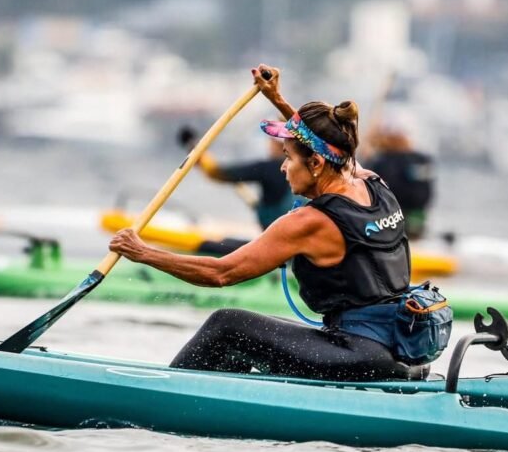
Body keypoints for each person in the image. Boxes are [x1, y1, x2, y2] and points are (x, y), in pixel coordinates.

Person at [109, 66, 429, 382]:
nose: (282, 167)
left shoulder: (309, 222)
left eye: (288, 157)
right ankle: (221, 403)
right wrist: (276, 99)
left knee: (227, 326)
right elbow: (330, 149)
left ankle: (166, 396)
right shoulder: (373, 182)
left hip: (359, 356)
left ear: (315, 164)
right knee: (254, 332)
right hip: (400, 348)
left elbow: (220, 273)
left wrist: (143, 253)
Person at [178, 125, 295, 230]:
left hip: (277, 231)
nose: (268, 144)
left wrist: (194, 147)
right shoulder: (298, 166)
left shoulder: (269, 168)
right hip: (288, 228)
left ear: (279, 144)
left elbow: (216, 172)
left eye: (270, 140)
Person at [359, 119, 435, 240]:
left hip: (407, 220)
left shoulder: (417, 160)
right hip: (384, 220)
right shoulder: (378, 160)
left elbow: (421, 195)